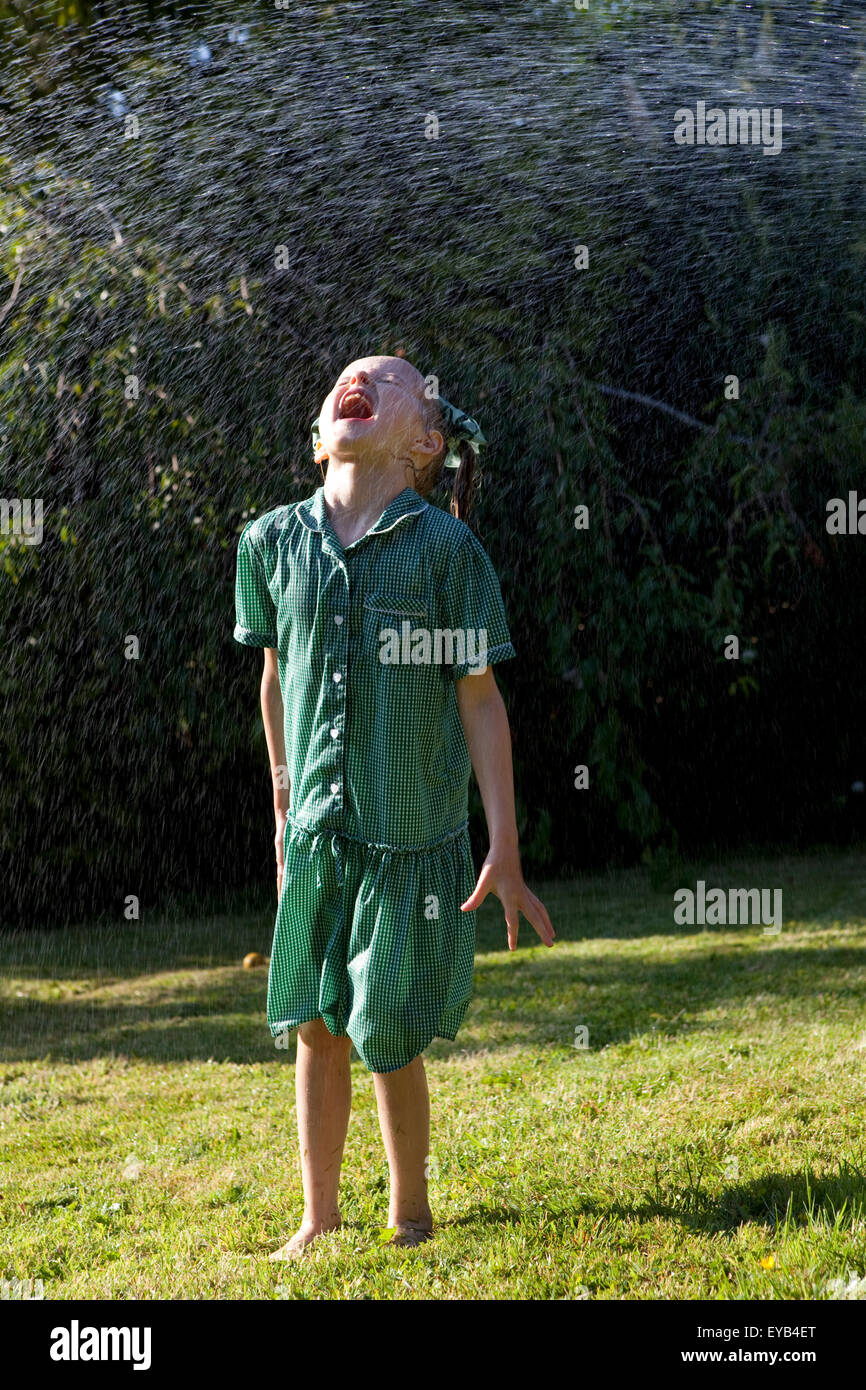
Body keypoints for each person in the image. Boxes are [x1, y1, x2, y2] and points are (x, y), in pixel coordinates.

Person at [233, 354, 555, 1256]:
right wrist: (283, 805)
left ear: (424, 440)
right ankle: (317, 1215)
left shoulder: (446, 553)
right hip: (322, 831)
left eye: (390, 377)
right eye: (346, 373)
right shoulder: (270, 544)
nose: (358, 378)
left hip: (411, 837)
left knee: (386, 1028)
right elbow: (273, 683)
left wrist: (505, 844)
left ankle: (410, 1212)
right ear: (321, 433)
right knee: (316, 1022)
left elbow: (480, 697)